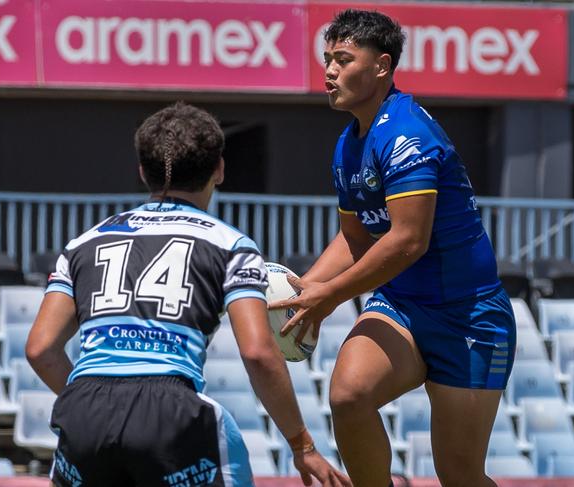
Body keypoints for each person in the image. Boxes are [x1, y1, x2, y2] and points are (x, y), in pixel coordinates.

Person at [26, 103, 351, 487]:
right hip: (169, 412)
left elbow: (40, 349)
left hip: (83, 411)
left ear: (142, 171)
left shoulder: (82, 244)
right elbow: (258, 353)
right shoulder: (230, 245)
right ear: (220, 169)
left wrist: (99, 405)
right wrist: (303, 446)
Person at [270, 9, 516, 487]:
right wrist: (304, 291)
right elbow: (354, 238)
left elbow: (408, 241)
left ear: (382, 66)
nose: (329, 71)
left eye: (343, 59)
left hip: (469, 316)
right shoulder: (348, 144)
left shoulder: (407, 132)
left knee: (460, 475)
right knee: (348, 395)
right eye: (327, 59)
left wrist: (331, 297)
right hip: (402, 306)